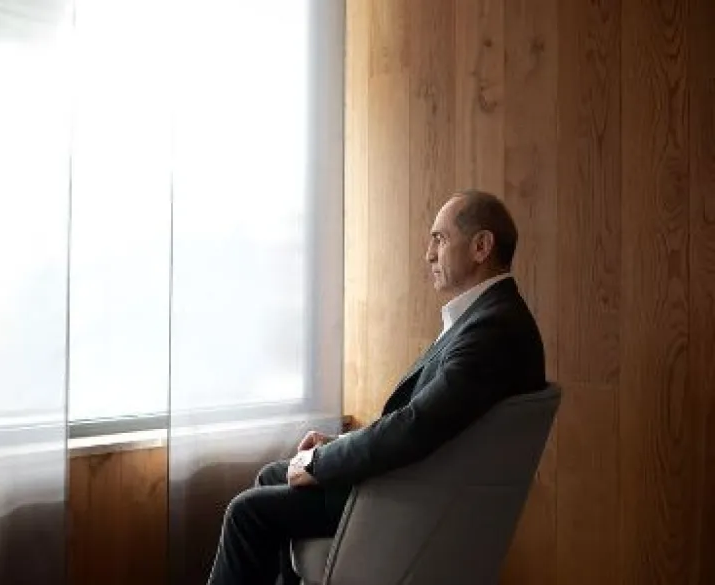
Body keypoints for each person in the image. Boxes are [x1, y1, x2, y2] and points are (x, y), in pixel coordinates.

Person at [206, 190, 547, 585]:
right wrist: (337, 446)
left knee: (247, 513)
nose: (429, 254)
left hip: (413, 497)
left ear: (481, 247)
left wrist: (321, 462)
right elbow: (426, 419)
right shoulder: (488, 318)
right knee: (273, 476)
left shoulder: (493, 329)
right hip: (420, 479)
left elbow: (416, 426)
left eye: (439, 239)